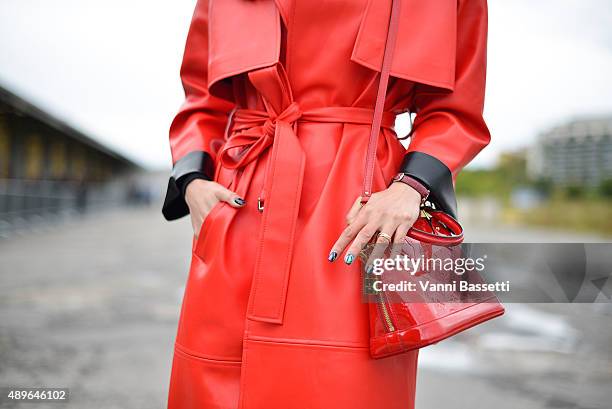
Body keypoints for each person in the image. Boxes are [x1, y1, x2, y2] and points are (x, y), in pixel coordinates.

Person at [161, 0, 490, 407]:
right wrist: (192, 181)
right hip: (242, 204)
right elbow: (201, 99)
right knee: (215, 380)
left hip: (361, 214)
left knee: (345, 387)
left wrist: (409, 187)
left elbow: (457, 110)